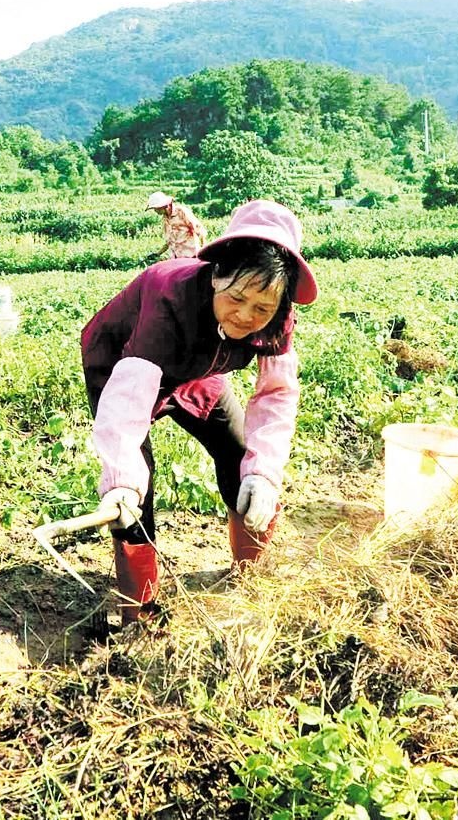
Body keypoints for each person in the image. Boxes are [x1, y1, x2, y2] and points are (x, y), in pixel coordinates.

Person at [83, 199, 318, 626]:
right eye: (237, 298)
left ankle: (252, 573)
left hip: (201, 366)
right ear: (216, 276)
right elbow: (130, 397)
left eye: (261, 308)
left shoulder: (278, 318)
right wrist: (120, 479)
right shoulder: (168, 295)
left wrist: (264, 473)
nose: (246, 316)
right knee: (136, 490)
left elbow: (276, 394)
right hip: (124, 364)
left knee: (239, 451)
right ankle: (141, 609)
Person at [146, 191, 207, 259]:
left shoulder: (181, 212)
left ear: (163, 206)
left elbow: (199, 230)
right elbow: (170, 241)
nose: (155, 211)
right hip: (176, 257)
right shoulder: (165, 219)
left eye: (156, 208)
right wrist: (158, 253)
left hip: (191, 255)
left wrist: (203, 249)